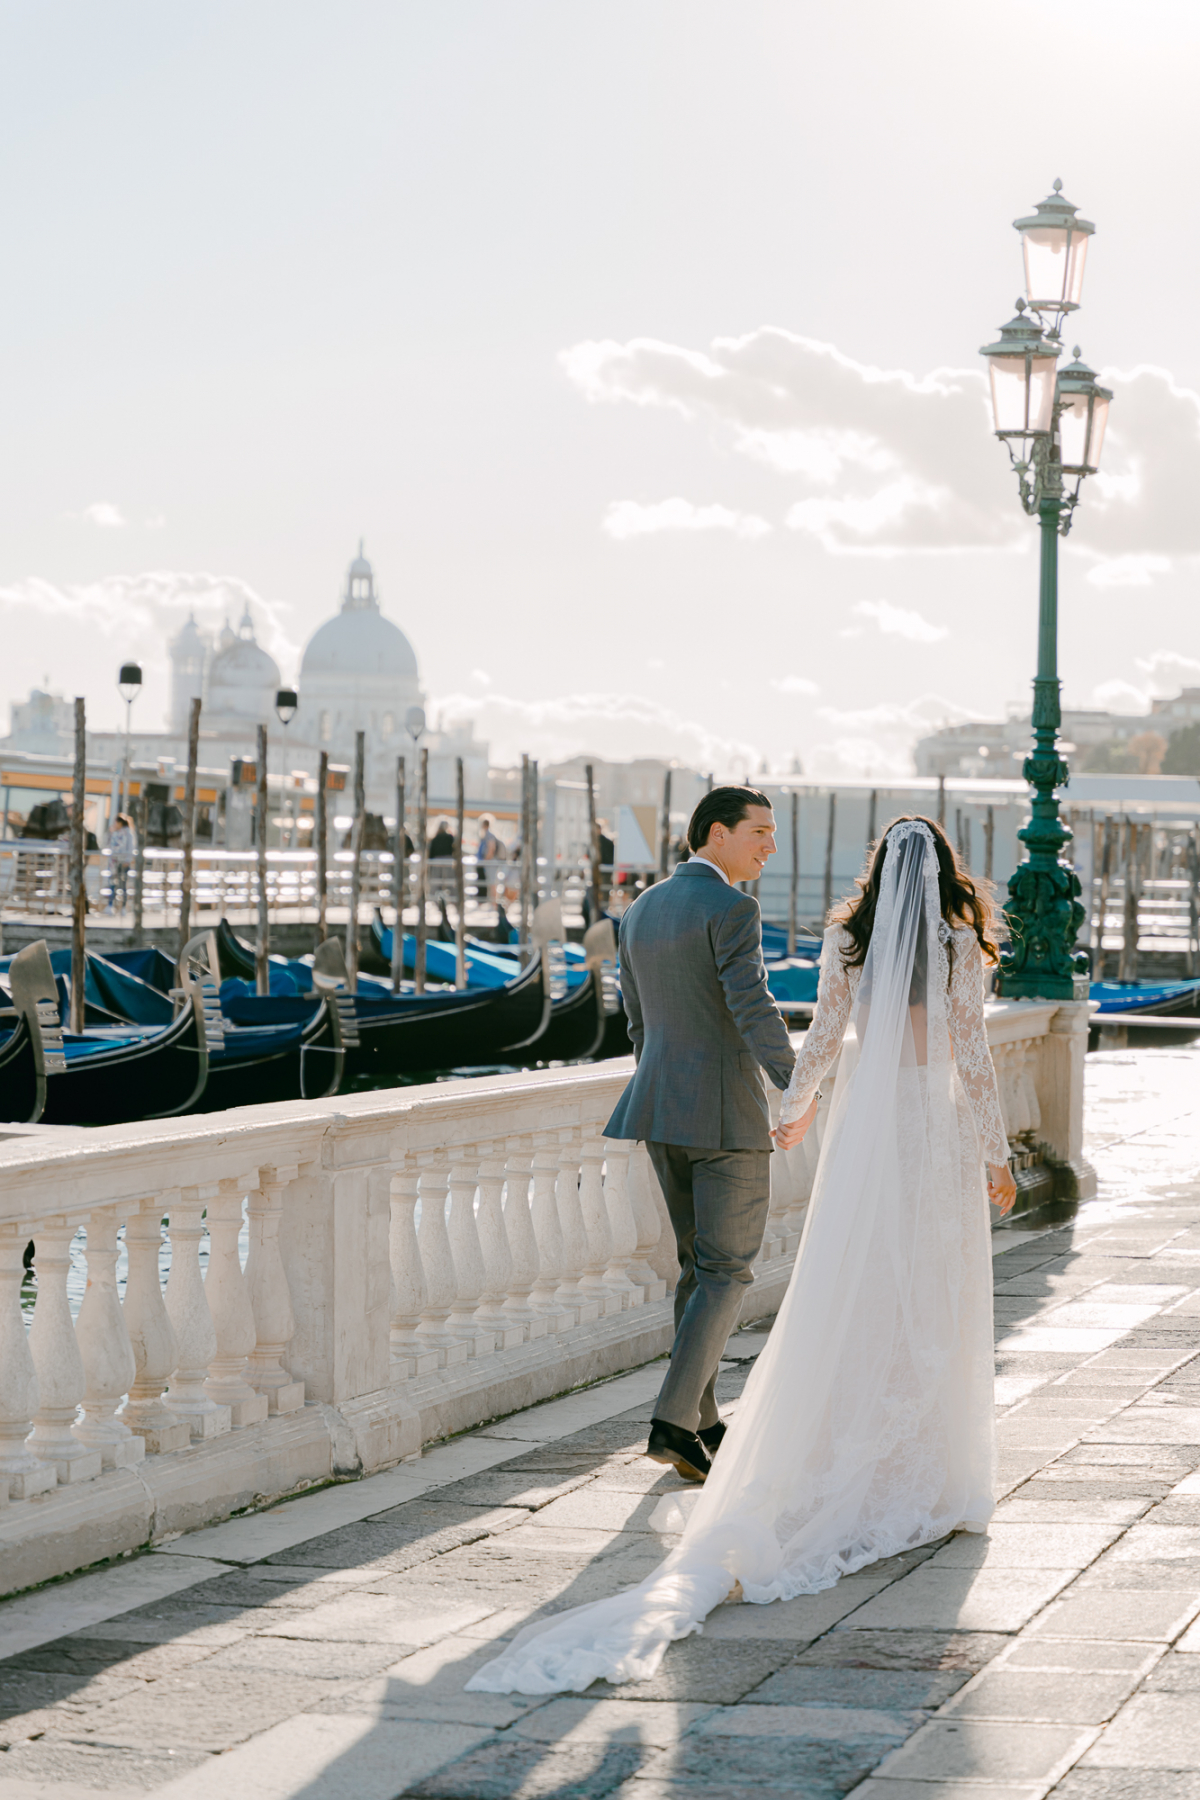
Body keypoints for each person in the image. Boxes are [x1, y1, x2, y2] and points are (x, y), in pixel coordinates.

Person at [467, 813, 1016, 1695]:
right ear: (945, 872)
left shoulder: (846, 940)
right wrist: (997, 1151)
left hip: (865, 1132)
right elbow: (974, 1056)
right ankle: (932, 1470)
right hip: (934, 1126)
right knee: (935, 1286)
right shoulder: (957, 943)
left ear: (878, 872)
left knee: (858, 1285)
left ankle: (852, 1448)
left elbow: (823, 1037)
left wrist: (798, 1110)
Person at [602, 785, 794, 1482]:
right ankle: (673, 1422)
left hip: (659, 1108)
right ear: (717, 833)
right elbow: (752, 1005)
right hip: (723, 1116)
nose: (770, 845)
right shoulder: (733, 907)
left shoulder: (641, 908)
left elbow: (636, 1021)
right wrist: (797, 1084)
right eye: (759, 831)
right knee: (728, 1269)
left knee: (697, 1269)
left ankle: (704, 1419)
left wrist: (661, 1083)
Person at [107, 812, 136, 912]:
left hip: (123, 861)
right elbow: (109, 845)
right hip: (114, 862)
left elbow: (130, 847)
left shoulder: (128, 833)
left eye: (115, 822)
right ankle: (111, 905)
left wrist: (128, 860)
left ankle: (123, 907)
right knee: (112, 883)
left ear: (119, 823)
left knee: (123, 884)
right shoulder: (115, 833)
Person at [475, 814, 505, 899]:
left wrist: (485, 860)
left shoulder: (489, 835)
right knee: (490, 882)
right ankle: (493, 901)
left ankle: (495, 902)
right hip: (488, 862)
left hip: (490, 862)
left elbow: (491, 848)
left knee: (492, 883)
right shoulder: (486, 835)